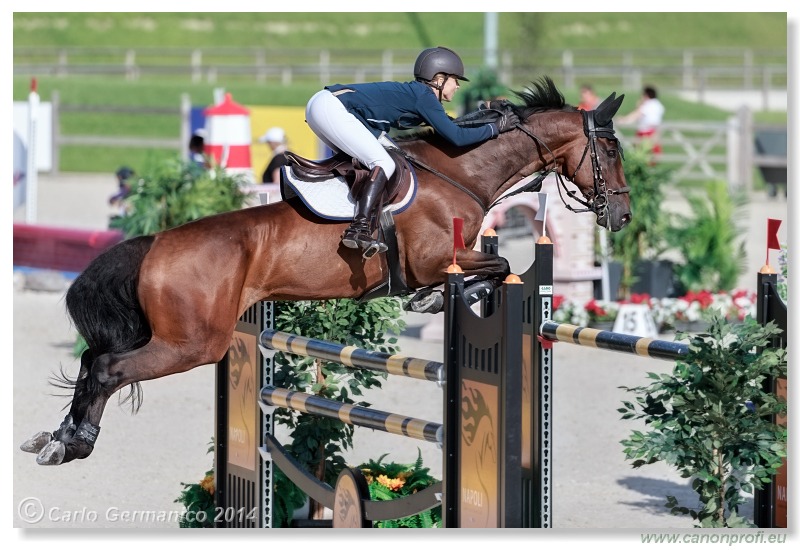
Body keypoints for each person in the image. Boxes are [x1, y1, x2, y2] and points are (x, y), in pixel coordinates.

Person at [304, 46, 520, 256]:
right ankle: (359, 228)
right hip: (331, 108)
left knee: (393, 155)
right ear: (439, 78)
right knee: (384, 163)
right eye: (455, 80)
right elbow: (456, 137)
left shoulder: (421, 95)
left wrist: (484, 115)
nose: (457, 86)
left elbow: (452, 126)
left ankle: (351, 215)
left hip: (327, 106)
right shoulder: (424, 96)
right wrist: (496, 128)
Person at [618, 84, 665, 154]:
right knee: (652, 155)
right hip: (655, 132)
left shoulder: (647, 105)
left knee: (640, 155)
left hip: (645, 133)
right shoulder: (659, 105)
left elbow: (636, 115)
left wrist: (624, 120)